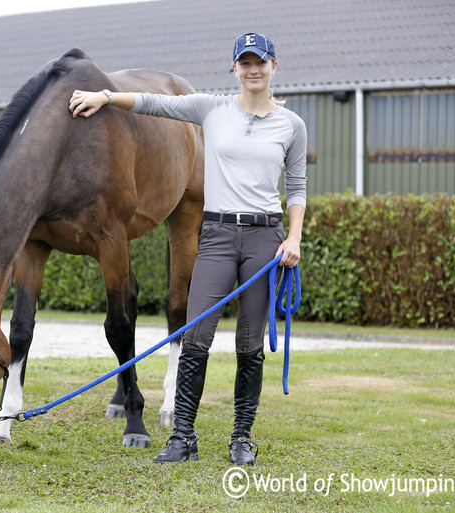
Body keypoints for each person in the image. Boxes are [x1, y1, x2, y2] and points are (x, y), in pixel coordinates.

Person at [69, 32, 306, 465]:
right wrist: (106, 95)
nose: (253, 69)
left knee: (249, 344)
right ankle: (183, 438)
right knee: (196, 336)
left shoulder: (291, 126)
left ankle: (240, 438)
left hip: (264, 238)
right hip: (215, 235)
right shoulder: (211, 109)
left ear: (275, 66)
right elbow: (154, 104)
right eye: (245, 62)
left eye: (261, 62)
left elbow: (296, 189)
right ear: (234, 68)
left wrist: (293, 238)